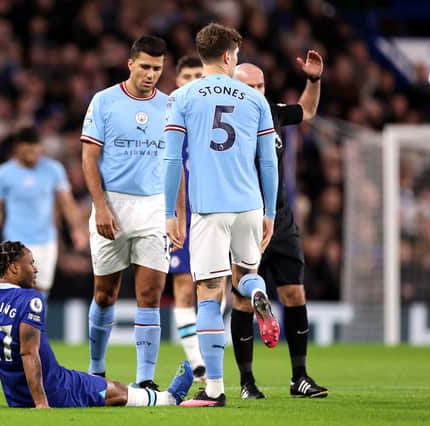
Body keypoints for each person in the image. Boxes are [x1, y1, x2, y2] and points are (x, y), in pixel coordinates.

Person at [164, 23, 279, 407]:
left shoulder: (181, 97)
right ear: (230, 56)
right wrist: (270, 212)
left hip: (209, 210)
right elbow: (269, 163)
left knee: (209, 294)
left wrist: (170, 213)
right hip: (250, 205)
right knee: (245, 277)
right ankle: (258, 292)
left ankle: (213, 388)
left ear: (203, 56)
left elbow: (171, 161)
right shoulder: (256, 100)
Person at [0, 241, 193, 409]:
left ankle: (160, 397)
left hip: (16, 397)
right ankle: (168, 399)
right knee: (116, 391)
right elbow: (28, 353)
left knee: (109, 388)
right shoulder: (30, 300)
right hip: (56, 389)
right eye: (31, 263)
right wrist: (41, 403)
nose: (36, 269)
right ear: (14, 267)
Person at [231, 51, 328, 399]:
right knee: (243, 299)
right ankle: (246, 383)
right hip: (243, 217)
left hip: (281, 219)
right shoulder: (225, 122)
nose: (257, 92)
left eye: (261, 85)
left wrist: (313, 80)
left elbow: (308, 110)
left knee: (294, 294)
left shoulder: (271, 111)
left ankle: (299, 377)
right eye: (249, 86)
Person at [81, 35, 169, 389]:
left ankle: (145, 379)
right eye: (145, 66)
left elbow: (177, 164)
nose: (151, 74)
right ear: (130, 63)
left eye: (158, 68)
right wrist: (100, 205)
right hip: (112, 205)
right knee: (105, 293)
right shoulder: (104, 102)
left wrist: (175, 214)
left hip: (153, 208)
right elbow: (89, 157)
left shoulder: (170, 106)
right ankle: (96, 369)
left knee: (149, 295)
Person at [0, 127, 87, 299]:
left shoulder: (54, 170)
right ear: (18, 148)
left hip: (46, 241)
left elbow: (67, 203)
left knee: (40, 294)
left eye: (35, 148)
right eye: (28, 148)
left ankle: (34, 326)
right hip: (16, 241)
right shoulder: (5, 173)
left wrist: (77, 230)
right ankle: (17, 325)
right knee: (17, 292)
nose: (32, 153)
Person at [168, 55, 206, 382]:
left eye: (199, 74)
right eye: (187, 75)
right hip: (181, 213)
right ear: (178, 81)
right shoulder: (167, 114)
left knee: (214, 286)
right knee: (183, 288)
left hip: (214, 210)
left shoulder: (216, 113)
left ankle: (206, 347)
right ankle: (198, 362)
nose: (193, 80)